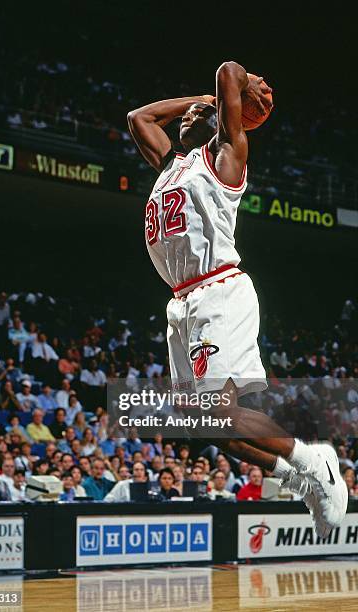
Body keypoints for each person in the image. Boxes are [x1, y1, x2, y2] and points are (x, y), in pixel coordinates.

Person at [127, 60, 347, 538]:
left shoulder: (224, 157)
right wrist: (195, 103)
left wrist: (230, 98)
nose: (183, 120)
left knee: (218, 412)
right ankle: (298, 477)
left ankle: (316, 461)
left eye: (195, 119)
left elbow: (229, 70)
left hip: (218, 290)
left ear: (218, 125)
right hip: (181, 302)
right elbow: (138, 118)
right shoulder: (171, 166)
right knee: (204, 426)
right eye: (183, 119)